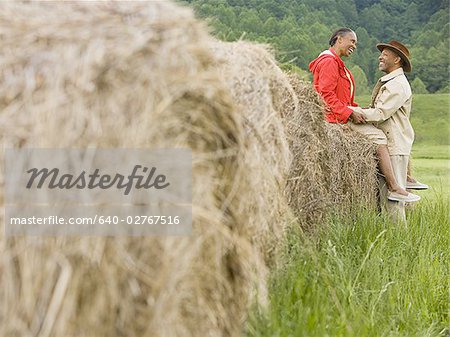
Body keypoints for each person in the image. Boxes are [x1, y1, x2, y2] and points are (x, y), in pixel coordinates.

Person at [309, 28, 420, 203]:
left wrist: (355, 109)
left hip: (340, 114)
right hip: (335, 118)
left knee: (381, 133)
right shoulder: (330, 62)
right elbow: (326, 95)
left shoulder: (336, 63)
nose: (354, 45)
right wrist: (349, 112)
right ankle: (394, 186)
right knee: (379, 137)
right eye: (352, 41)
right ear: (339, 39)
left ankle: (403, 176)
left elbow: (342, 98)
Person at [348, 40, 421, 221]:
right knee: (385, 200)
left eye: (385, 55)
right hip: (390, 144)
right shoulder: (393, 82)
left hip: (393, 145)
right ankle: (393, 239)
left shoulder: (397, 84)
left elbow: (381, 113)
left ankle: (399, 243)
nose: (380, 57)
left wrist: (350, 111)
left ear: (397, 59)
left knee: (393, 203)